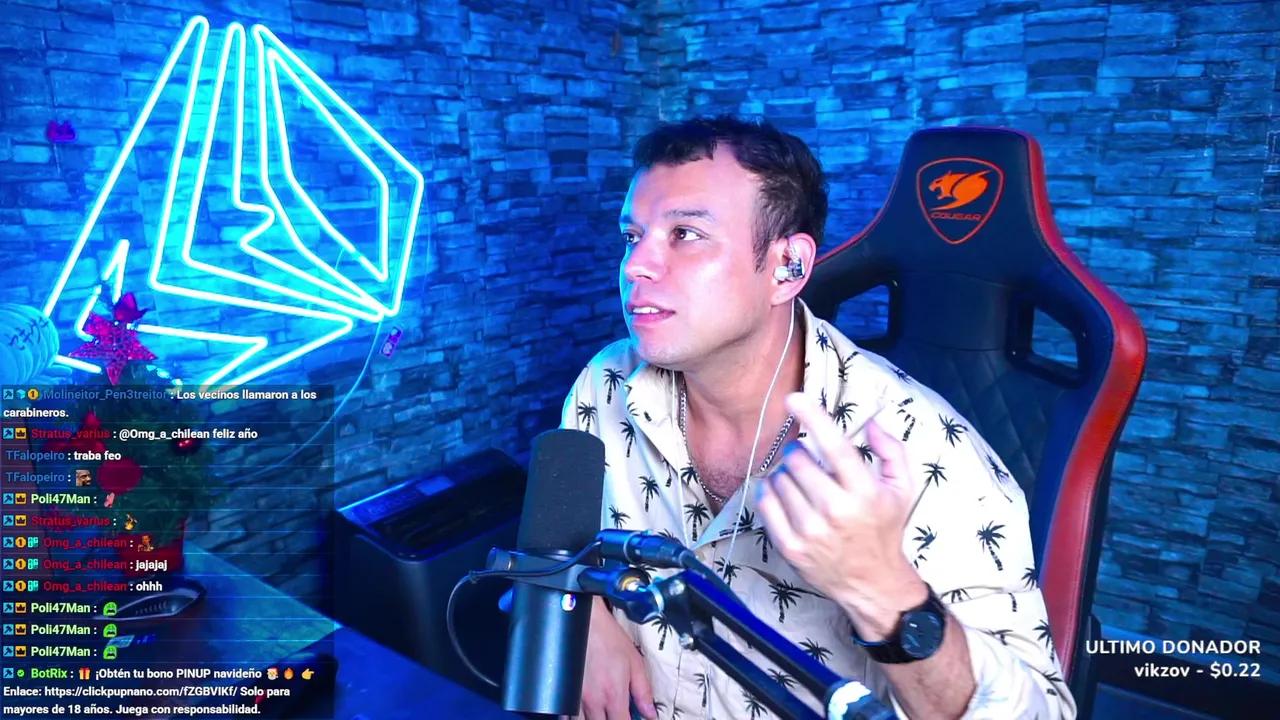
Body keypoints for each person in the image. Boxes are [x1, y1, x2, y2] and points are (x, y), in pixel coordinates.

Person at [560, 115, 1075, 720]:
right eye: (633, 236)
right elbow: (554, 542)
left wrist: (883, 590)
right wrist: (578, 610)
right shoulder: (603, 383)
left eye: (686, 235)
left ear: (788, 266)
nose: (636, 266)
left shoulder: (925, 454)